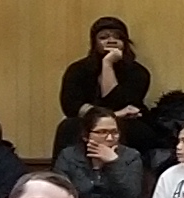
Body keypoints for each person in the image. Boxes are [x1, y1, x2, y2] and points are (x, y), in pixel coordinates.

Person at [52, 14, 153, 149]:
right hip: (88, 120)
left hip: (127, 121)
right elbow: (70, 107)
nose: (111, 41)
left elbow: (117, 102)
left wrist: (108, 64)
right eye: (103, 37)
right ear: (94, 42)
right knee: (69, 127)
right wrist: (111, 115)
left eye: (117, 37)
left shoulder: (138, 72)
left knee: (139, 130)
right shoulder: (77, 69)